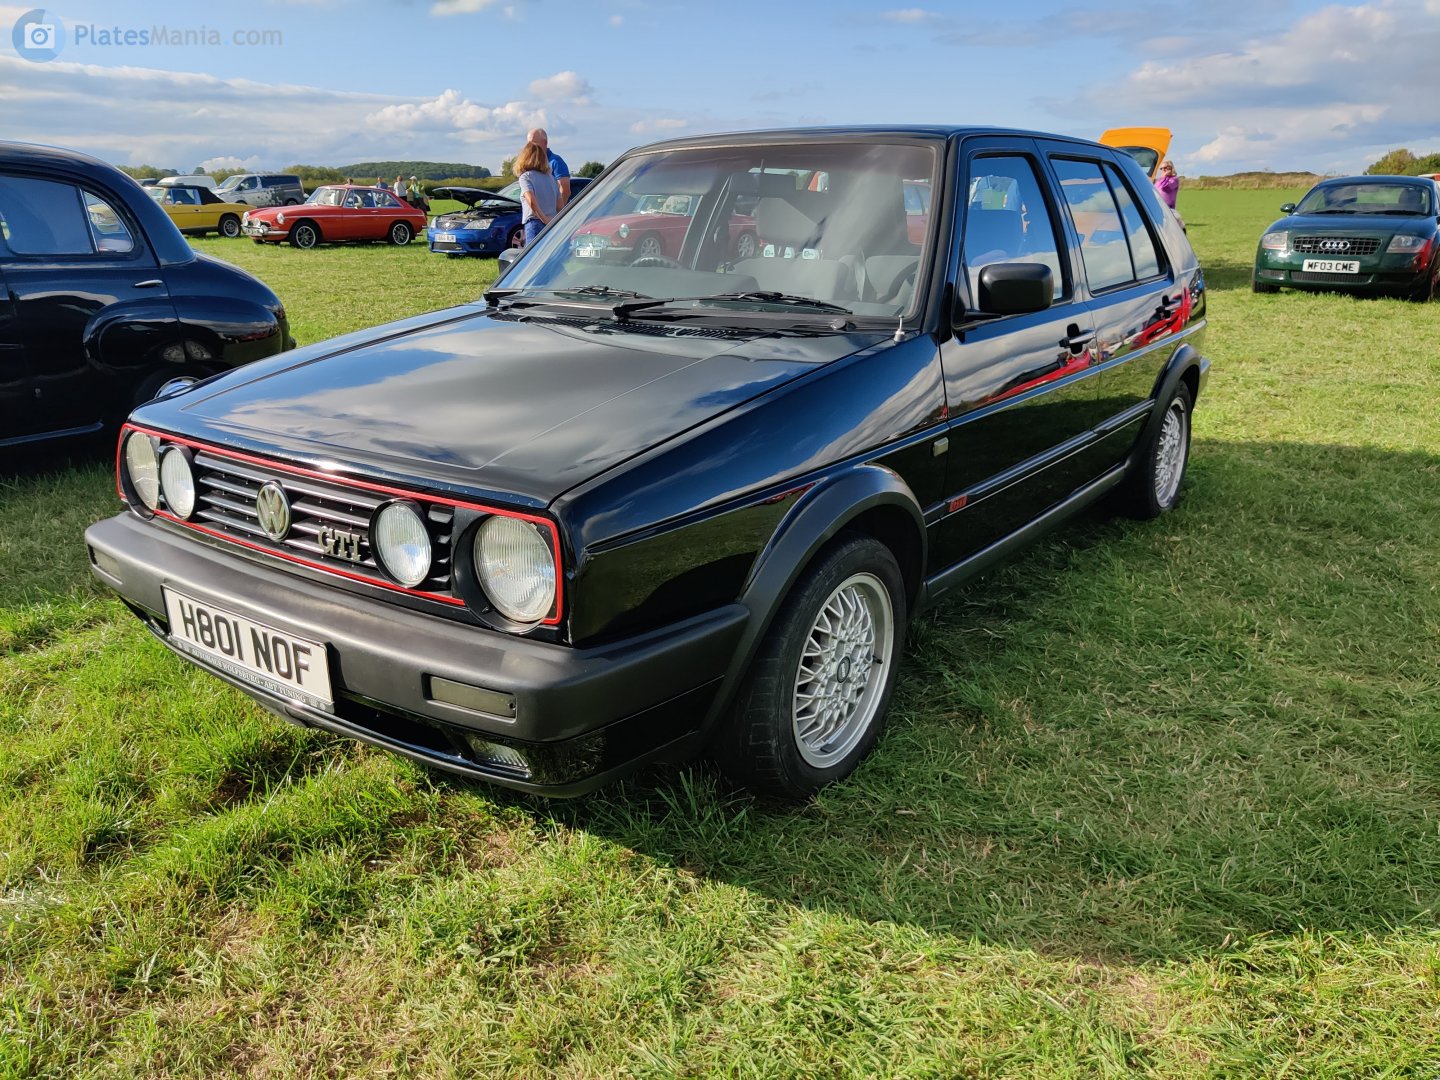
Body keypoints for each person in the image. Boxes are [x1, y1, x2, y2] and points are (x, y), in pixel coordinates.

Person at [515, 139, 558, 245]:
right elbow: (560, 204)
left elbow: (531, 201)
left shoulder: (526, 177)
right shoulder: (551, 178)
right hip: (552, 223)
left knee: (532, 258)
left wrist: (543, 219)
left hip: (535, 223)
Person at [527, 127, 571, 210]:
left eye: (534, 143)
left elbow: (565, 191)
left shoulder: (556, 162)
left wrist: (557, 214)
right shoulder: (530, 164)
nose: (531, 147)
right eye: (529, 144)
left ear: (545, 143)